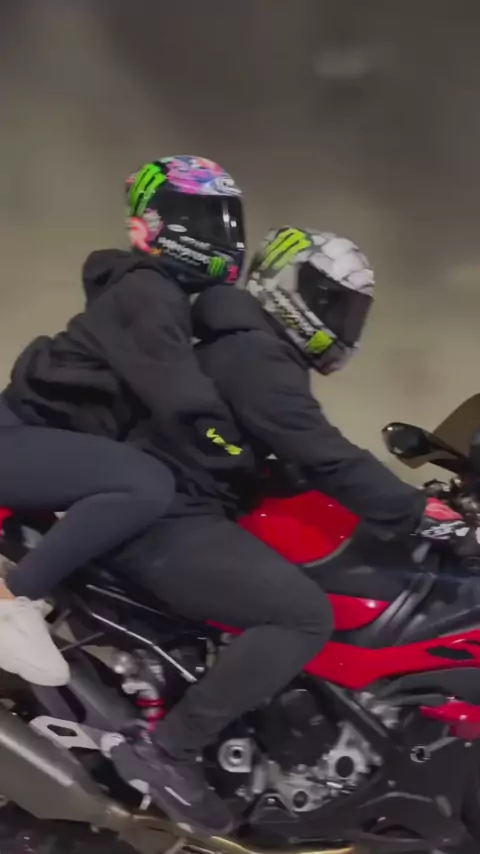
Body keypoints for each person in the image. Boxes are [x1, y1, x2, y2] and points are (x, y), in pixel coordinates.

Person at [106, 227, 467, 835]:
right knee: (302, 616)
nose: (342, 322)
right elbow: (326, 453)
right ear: (288, 288)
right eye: (332, 303)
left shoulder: (245, 345)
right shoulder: (254, 353)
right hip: (168, 517)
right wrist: (423, 515)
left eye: (347, 309)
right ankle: (167, 753)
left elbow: (290, 451)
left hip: (174, 506)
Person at [1, 154, 248, 689]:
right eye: (207, 220)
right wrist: (240, 456)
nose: (225, 236)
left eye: (227, 220)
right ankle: (10, 603)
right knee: (144, 482)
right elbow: (185, 401)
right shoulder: (149, 292)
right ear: (157, 224)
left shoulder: (159, 294)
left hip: (28, 439)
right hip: (13, 438)